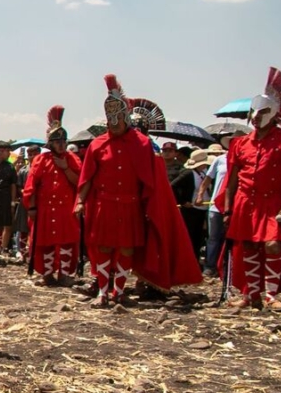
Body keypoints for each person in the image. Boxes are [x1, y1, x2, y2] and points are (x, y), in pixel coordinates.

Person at [74, 76, 200, 307]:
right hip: (104, 204)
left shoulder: (142, 143)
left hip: (131, 205)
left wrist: (151, 206)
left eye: (118, 118)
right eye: (110, 119)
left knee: (125, 248)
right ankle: (102, 291)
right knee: (103, 247)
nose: (114, 124)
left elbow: (153, 179)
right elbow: (87, 178)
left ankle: (118, 292)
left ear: (125, 117)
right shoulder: (97, 144)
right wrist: (80, 202)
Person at [221, 66, 281, 311]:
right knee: (249, 246)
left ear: (274, 113)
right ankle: (252, 294)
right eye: (254, 111)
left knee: (272, 244)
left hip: (273, 201)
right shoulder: (240, 143)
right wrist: (228, 207)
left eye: (263, 111)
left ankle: (271, 296)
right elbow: (232, 179)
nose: (256, 116)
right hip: (245, 202)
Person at [21, 106, 81, 286]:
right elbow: (32, 185)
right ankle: (47, 274)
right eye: (57, 141)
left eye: (63, 141)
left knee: (67, 241)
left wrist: (65, 168)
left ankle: (64, 274)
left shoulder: (72, 159)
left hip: (66, 208)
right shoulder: (41, 160)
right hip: (44, 208)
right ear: (50, 143)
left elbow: (79, 182)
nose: (61, 144)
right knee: (45, 242)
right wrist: (31, 207)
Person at [195, 140, 232, 276]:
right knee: (213, 237)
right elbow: (207, 179)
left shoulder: (243, 158)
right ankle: (210, 266)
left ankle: (227, 267)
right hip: (216, 206)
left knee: (230, 238)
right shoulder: (220, 160)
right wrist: (200, 195)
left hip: (234, 206)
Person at [170, 149, 211, 262]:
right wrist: (182, 201)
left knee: (198, 238)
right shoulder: (188, 173)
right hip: (190, 210)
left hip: (202, 209)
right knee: (189, 237)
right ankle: (186, 261)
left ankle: (195, 261)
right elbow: (172, 186)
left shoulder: (204, 173)